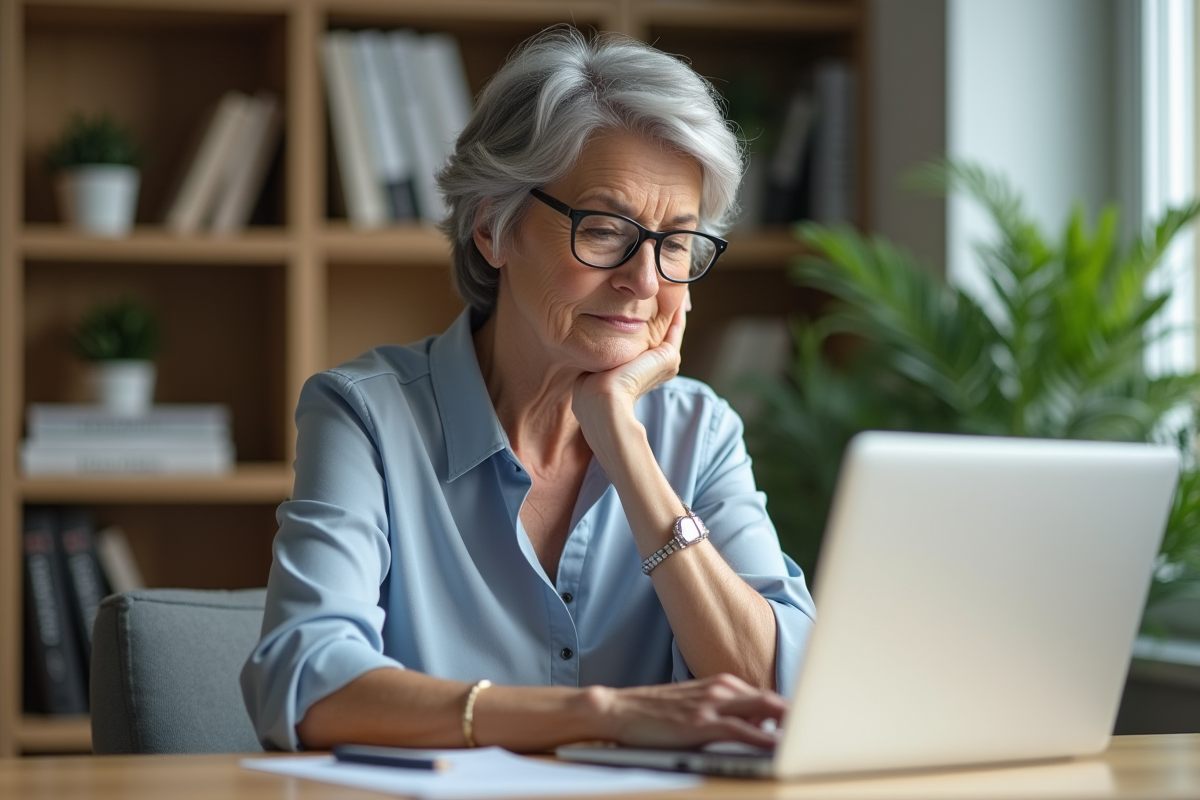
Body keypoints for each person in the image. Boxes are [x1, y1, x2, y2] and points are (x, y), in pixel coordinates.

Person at [241, 26, 815, 753]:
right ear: (493, 228)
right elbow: (304, 684)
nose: (644, 281)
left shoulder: (698, 432)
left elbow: (780, 698)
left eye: (675, 243)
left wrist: (623, 443)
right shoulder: (367, 415)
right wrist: (597, 715)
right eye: (606, 230)